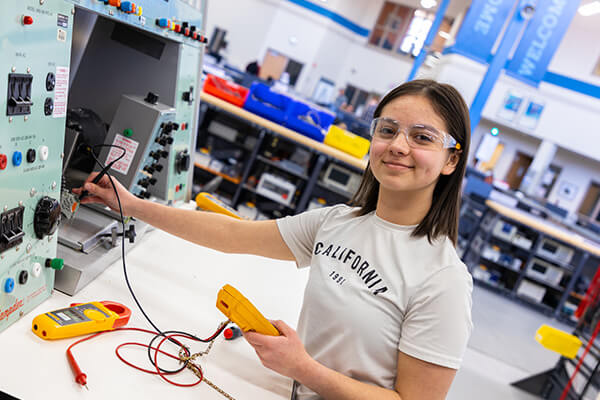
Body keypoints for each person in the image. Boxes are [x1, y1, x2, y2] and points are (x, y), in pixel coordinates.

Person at [73, 79, 472, 400]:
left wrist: (302, 367)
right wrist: (132, 204)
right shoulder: (338, 221)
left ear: (451, 159)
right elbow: (233, 234)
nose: (398, 146)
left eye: (422, 137)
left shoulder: (444, 280)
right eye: (388, 130)